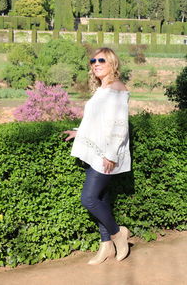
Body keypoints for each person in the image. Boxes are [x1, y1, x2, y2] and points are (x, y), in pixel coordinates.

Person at [64, 47, 131, 265]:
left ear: (112, 63)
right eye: (93, 60)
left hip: (106, 155)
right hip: (94, 152)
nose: (96, 63)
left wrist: (111, 154)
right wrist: (78, 133)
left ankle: (118, 233)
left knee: (89, 199)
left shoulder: (117, 88)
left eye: (101, 60)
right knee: (101, 198)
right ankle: (106, 247)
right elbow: (96, 122)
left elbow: (119, 126)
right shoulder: (103, 89)